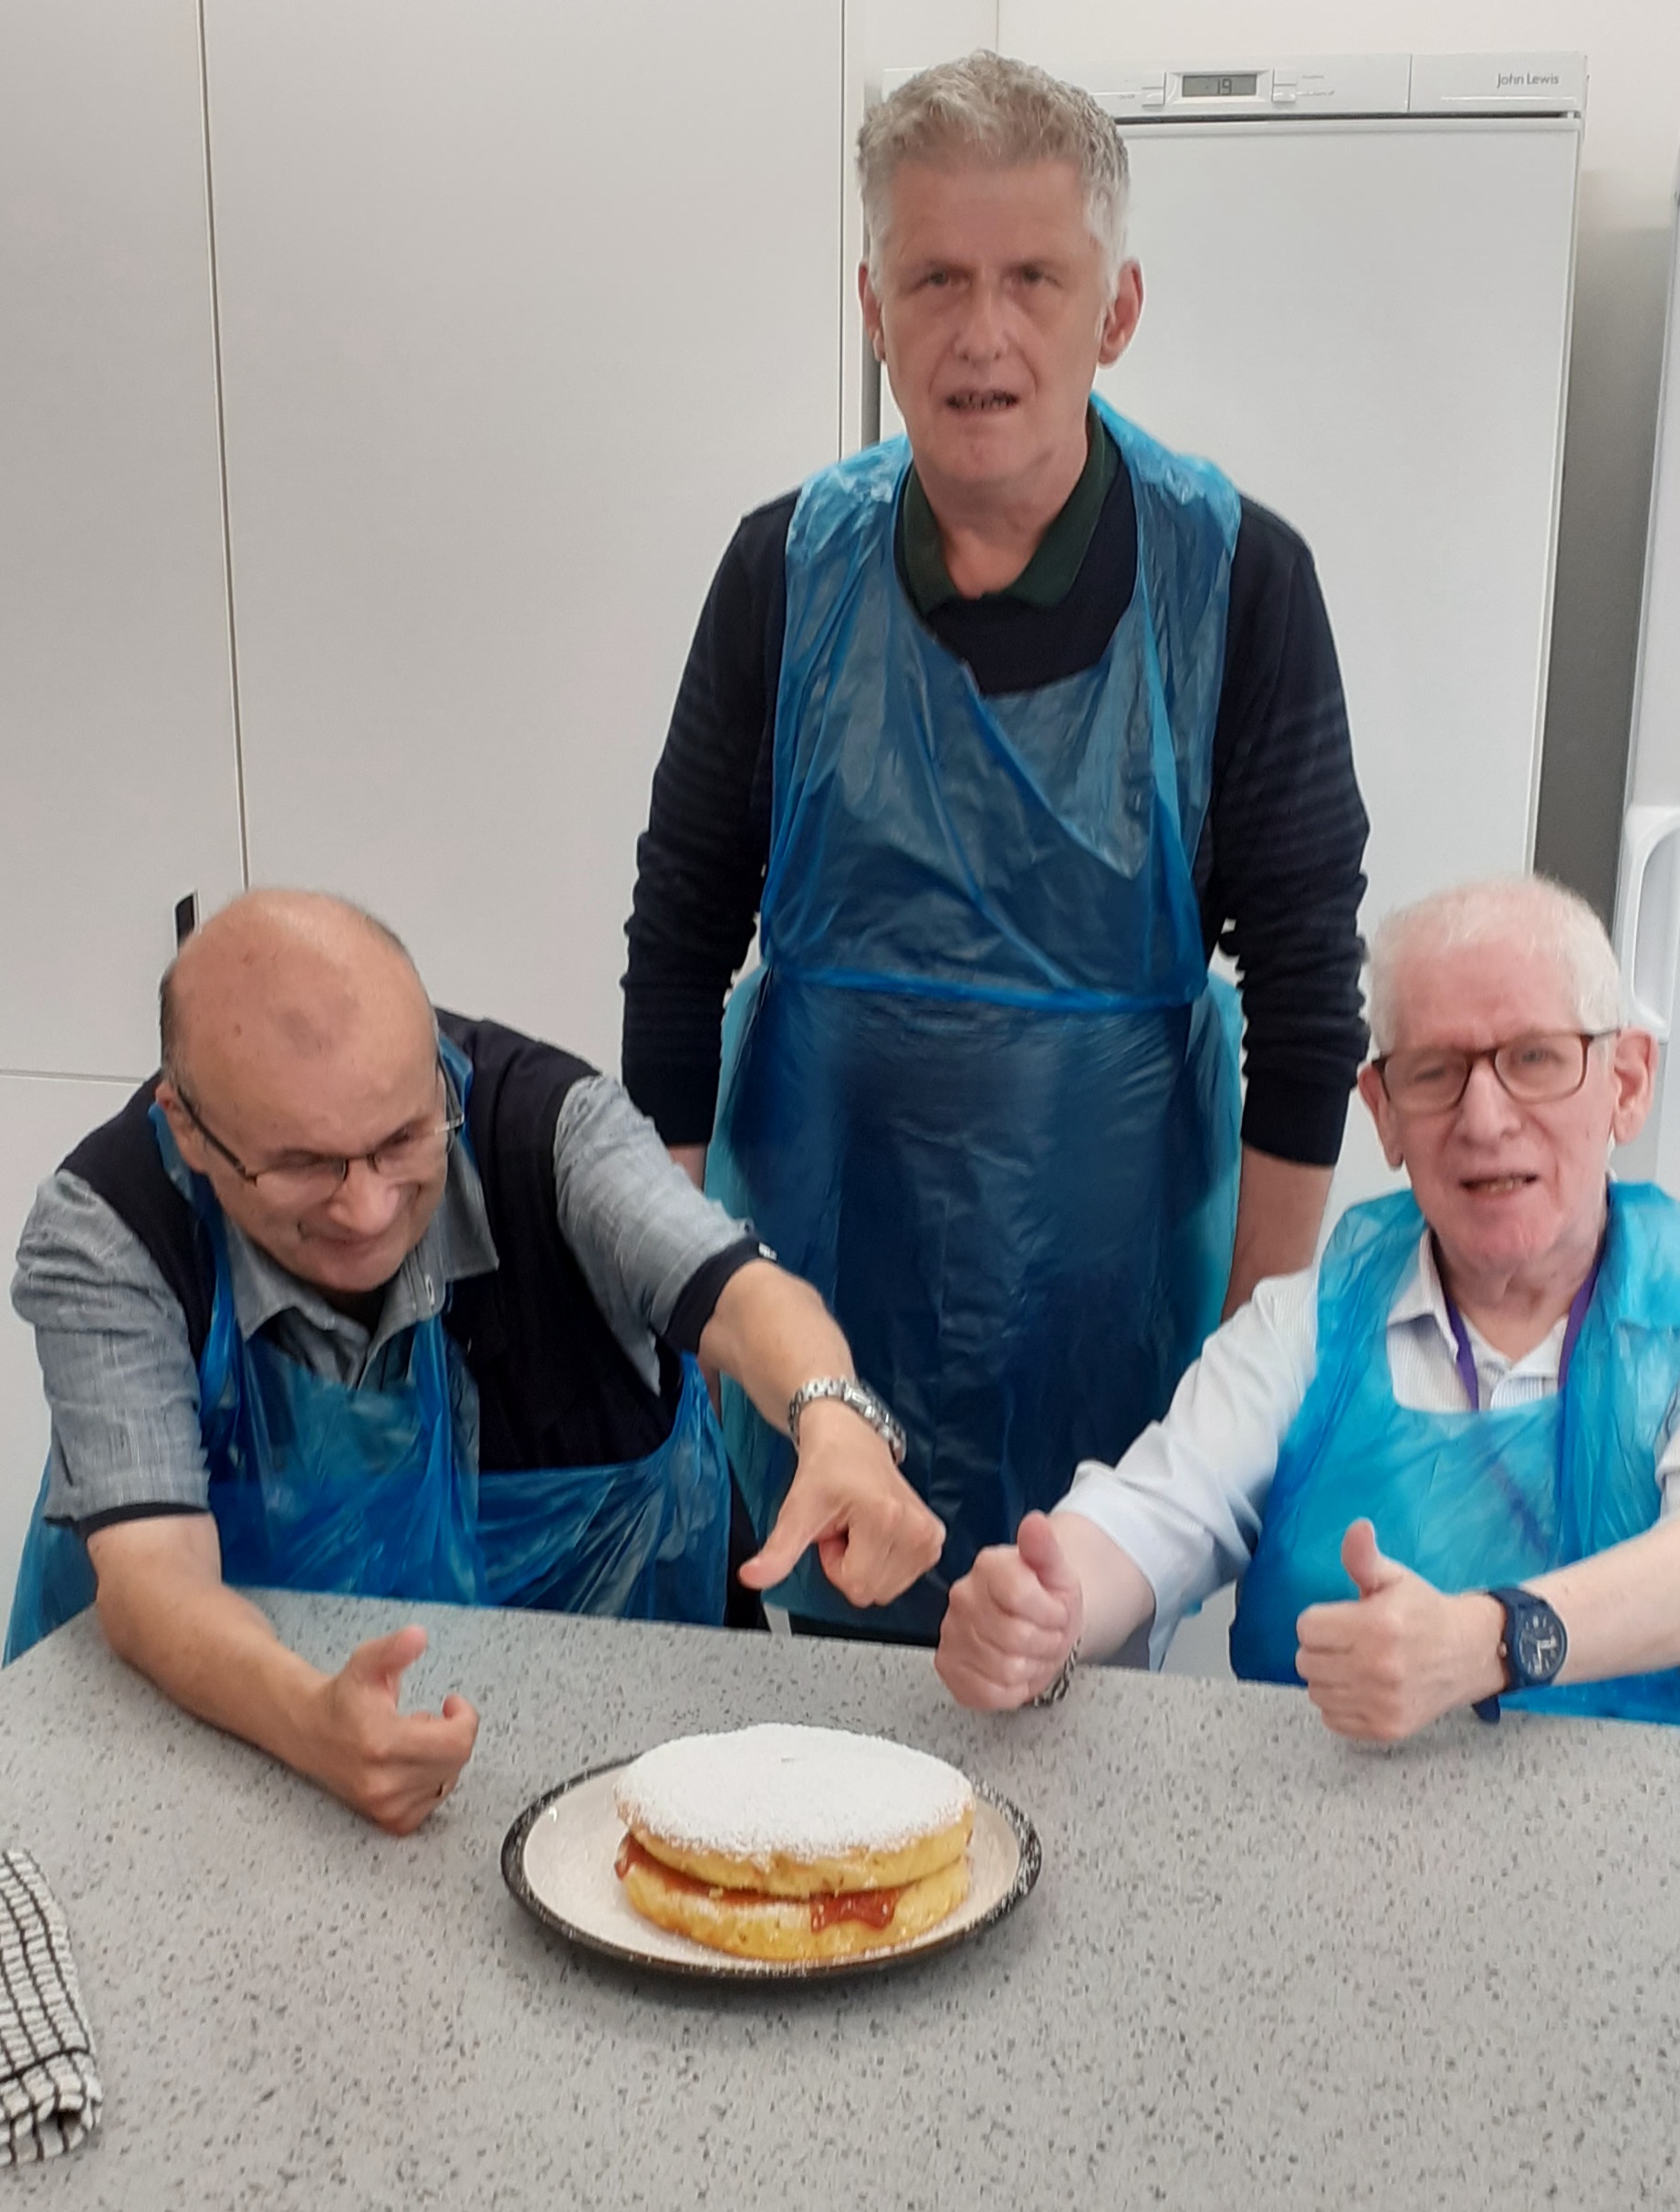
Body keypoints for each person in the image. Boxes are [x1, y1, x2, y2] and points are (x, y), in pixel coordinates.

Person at [622, 52, 1369, 1640]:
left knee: (1068, 1682)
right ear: (872, 308)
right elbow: (679, 937)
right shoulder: (784, 570)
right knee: (806, 1706)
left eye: (1034, 276)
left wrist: (1242, 1368)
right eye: (934, 278)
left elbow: (1308, 995)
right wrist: (681, 1299)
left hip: (1111, 1285)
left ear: (1116, 309)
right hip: (815, 1260)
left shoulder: (1239, 581)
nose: (983, 331)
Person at [5, 892, 942, 1831]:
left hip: (614, 1748)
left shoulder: (546, 1127)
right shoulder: (110, 1230)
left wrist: (833, 1420)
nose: (367, 1210)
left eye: (402, 1140)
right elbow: (153, 1579)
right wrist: (309, 1725)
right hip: (241, 1752)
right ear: (188, 1129)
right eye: (302, 1164)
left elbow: (743, 1297)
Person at [935, 876, 1680, 1737]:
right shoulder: (1304, 1327)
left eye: (1534, 1058)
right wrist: (1041, 1608)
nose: (1483, 1119)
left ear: (1625, 1083)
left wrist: (1491, 1639)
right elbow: (1157, 1511)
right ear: (1384, 1113)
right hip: (1311, 1836)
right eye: (1433, 1072)